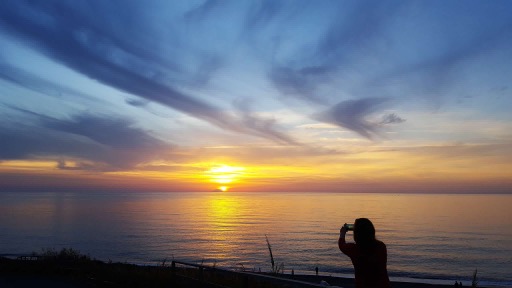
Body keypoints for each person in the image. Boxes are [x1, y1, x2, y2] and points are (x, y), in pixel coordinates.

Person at [338, 218, 391, 288]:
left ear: (356, 233)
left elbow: (341, 245)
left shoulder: (354, 249)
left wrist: (342, 233)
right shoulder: (381, 246)